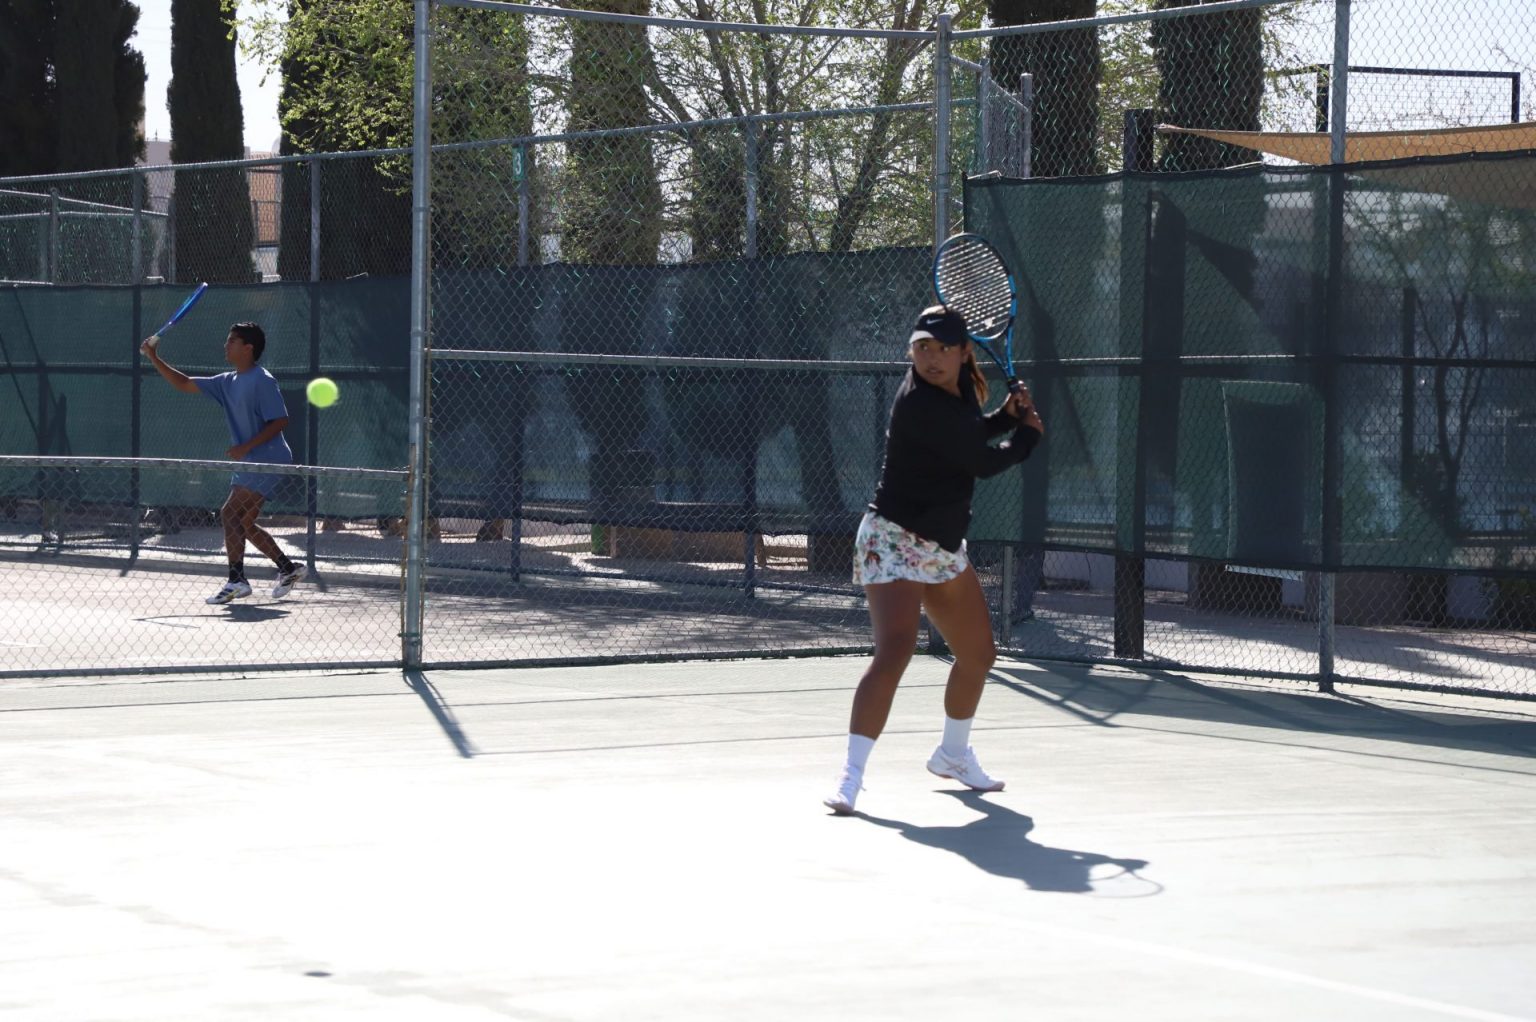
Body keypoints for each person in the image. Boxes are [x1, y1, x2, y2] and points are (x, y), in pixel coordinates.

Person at [825, 304, 1044, 815]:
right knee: (896, 650)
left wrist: (1004, 418)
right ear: (912, 351)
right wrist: (1026, 437)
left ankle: (953, 755)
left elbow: (968, 437)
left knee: (978, 655)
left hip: (941, 546)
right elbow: (981, 461)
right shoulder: (918, 401)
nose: (932, 357)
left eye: (944, 348)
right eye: (923, 347)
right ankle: (850, 777)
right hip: (894, 538)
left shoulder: (959, 390)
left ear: (964, 352)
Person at [140, 322, 306, 605]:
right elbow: (183, 383)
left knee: (229, 513)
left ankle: (236, 580)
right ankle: (288, 568)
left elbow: (280, 420)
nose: (225, 346)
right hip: (251, 459)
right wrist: (154, 357)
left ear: (248, 348)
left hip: (267, 458)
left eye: (231, 341)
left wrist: (246, 447)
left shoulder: (263, 380)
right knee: (244, 523)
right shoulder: (226, 382)